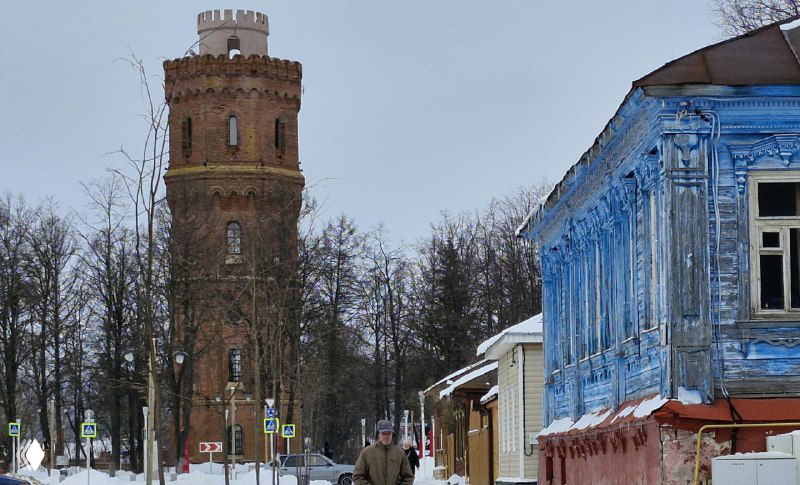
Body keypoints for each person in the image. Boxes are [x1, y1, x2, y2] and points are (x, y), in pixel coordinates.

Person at [353, 419, 414, 485]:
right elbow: (358, 476)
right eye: (383, 433)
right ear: (378, 434)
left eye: (389, 433)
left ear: (392, 434)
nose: (386, 436)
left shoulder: (399, 453)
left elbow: (408, 477)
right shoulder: (367, 452)